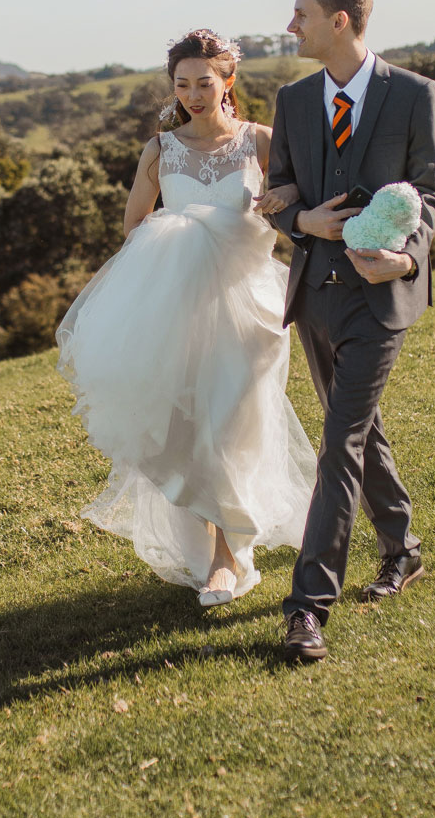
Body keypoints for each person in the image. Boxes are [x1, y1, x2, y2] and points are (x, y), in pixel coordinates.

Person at [56, 30, 316, 606]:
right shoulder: (160, 150)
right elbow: (134, 228)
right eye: (182, 84)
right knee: (186, 432)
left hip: (248, 308)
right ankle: (208, 549)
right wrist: (184, 233)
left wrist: (279, 199)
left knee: (230, 428)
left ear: (228, 81)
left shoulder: (262, 142)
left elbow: (293, 205)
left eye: (204, 81)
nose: (194, 94)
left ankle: (227, 558)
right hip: (176, 312)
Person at [257, 0, 435, 663]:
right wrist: (306, 218)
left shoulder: (414, 95)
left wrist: (404, 257)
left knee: (338, 443)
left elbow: (427, 195)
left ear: (339, 21)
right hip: (315, 295)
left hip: (379, 295)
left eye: (300, 12)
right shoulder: (295, 98)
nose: (290, 24)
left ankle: (308, 606)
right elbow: (282, 191)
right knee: (358, 428)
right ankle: (402, 547)